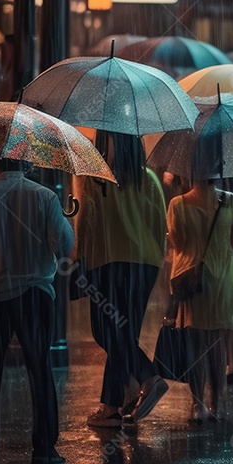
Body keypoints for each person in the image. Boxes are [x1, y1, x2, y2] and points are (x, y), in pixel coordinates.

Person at [0, 156, 73, 464]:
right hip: (35, 295)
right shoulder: (45, 197)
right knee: (40, 369)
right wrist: (67, 219)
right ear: (27, 162)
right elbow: (63, 245)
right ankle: (45, 450)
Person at [73, 131, 168, 429]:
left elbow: (86, 225)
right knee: (122, 333)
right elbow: (159, 227)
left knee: (109, 332)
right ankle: (113, 406)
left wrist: (79, 258)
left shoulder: (96, 179)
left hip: (108, 263)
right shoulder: (148, 179)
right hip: (144, 265)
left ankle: (147, 377)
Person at [166, 177, 233, 422]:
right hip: (224, 280)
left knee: (196, 344)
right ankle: (217, 404)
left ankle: (197, 405)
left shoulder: (177, 205)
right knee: (218, 343)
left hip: (192, 281)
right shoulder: (232, 202)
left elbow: (178, 243)